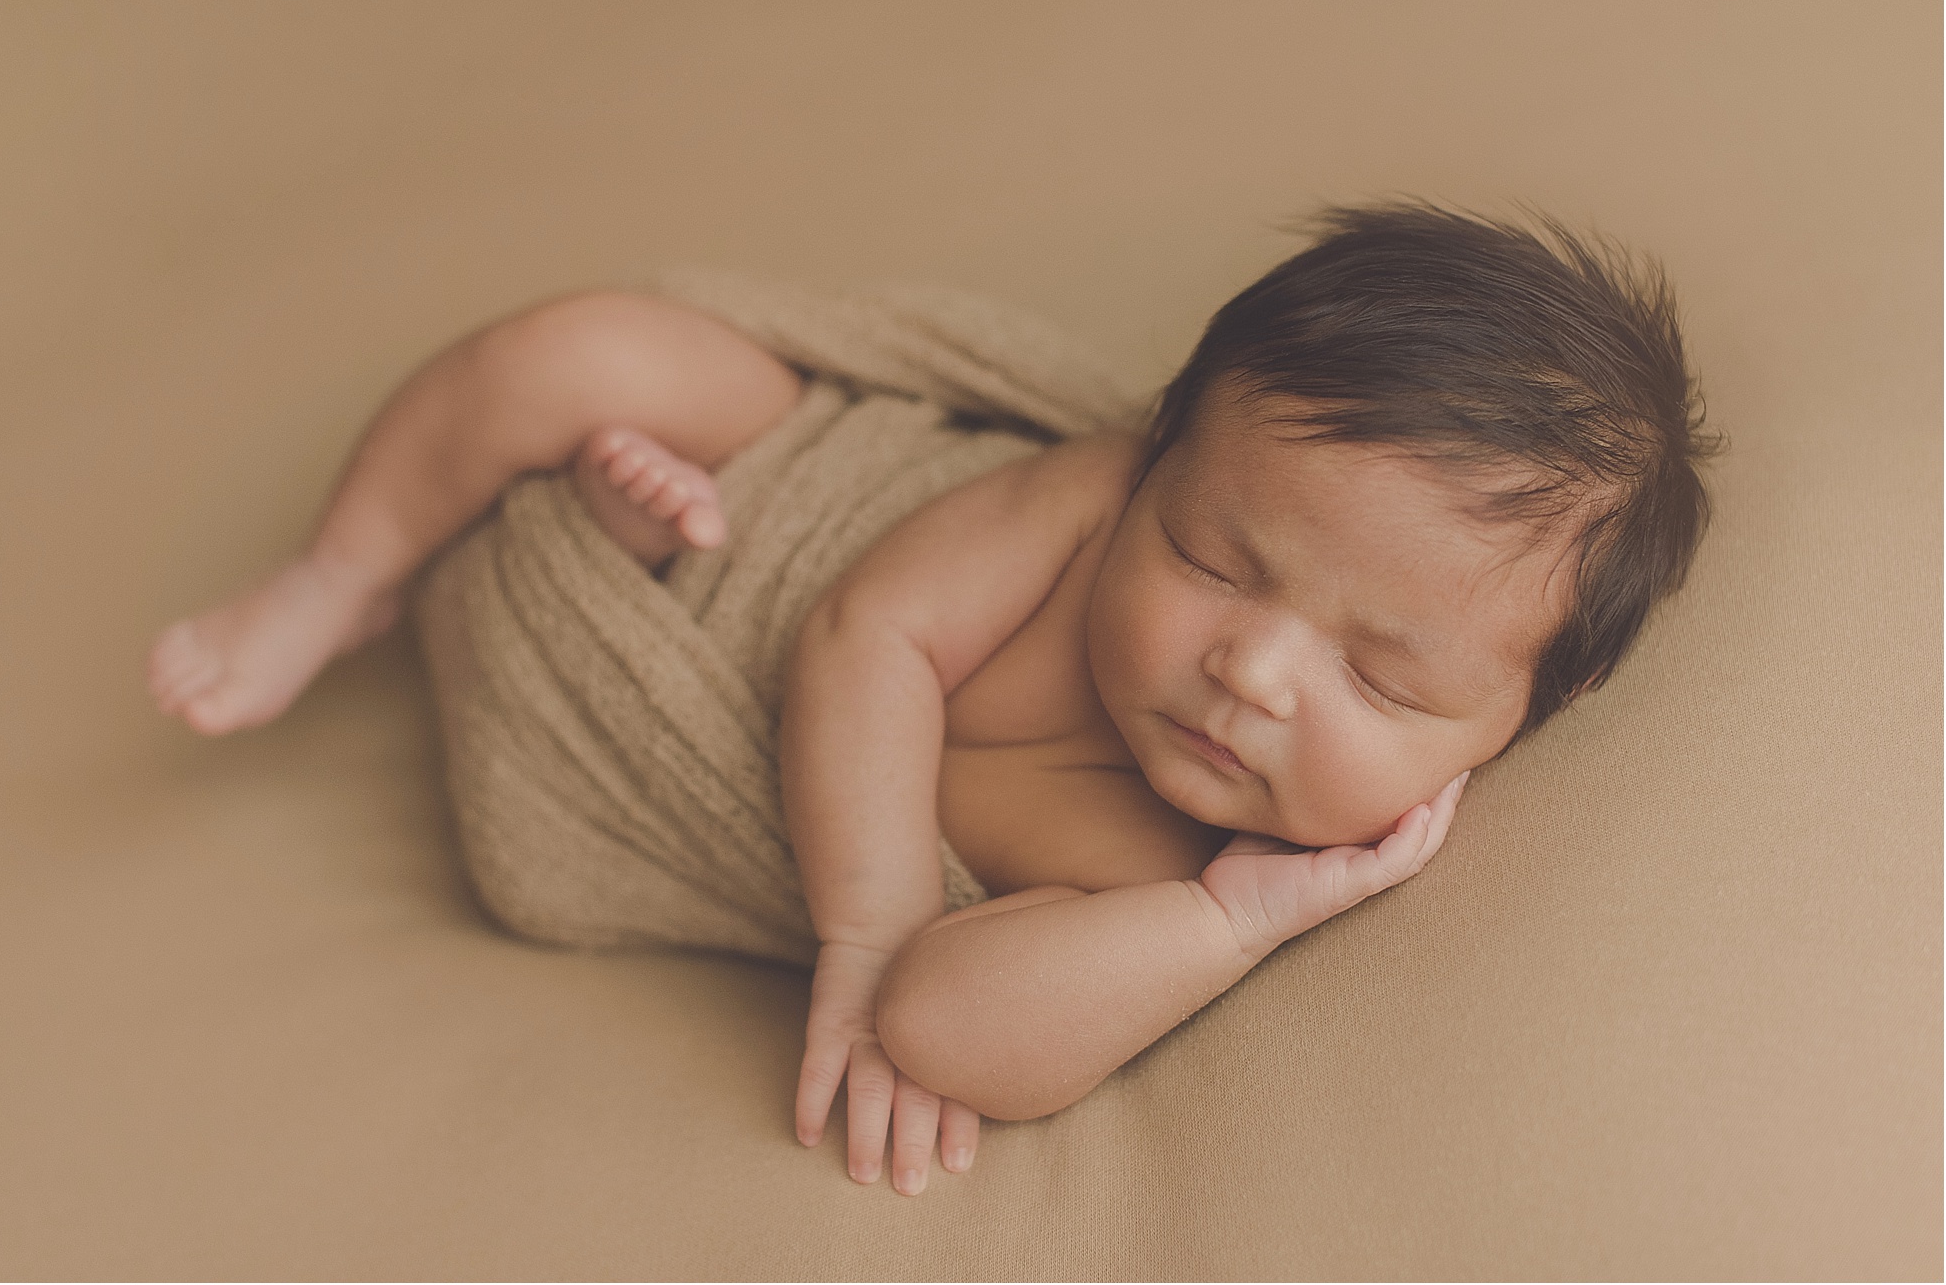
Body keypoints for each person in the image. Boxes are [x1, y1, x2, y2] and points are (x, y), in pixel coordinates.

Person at [149, 204, 1719, 1197]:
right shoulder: (1093, 496)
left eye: (1379, 675)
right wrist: (870, 914)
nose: (1253, 666)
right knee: (585, 349)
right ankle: (347, 575)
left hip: (645, 720)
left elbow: (951, 1022)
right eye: (1212, 554)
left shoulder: (1173, 882)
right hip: (799, 498)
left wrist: (1237, 923)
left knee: (605, 516)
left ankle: (609, 544)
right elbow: (867, 624)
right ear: (1161, 456)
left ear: (1511, 727)